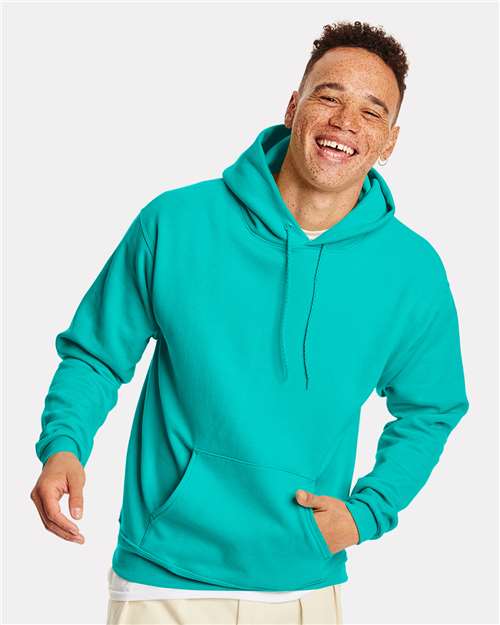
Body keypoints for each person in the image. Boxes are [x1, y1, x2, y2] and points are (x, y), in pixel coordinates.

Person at [31, 19, 470, 625]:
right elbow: (96, 355)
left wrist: (368, 512)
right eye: (329, 96)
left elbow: (432, 409)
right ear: (293, 107)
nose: (346, 121)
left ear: (390, 141)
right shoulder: (176, 222)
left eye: (372, 112)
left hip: (303, 584)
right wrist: (64, 445)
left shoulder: (412, 270)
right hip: (162, 576)